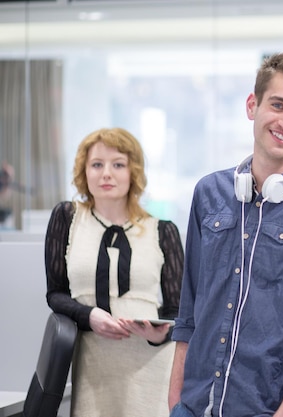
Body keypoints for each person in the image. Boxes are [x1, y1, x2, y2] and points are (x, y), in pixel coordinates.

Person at [168, 52, 283, 417]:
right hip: (192, 408)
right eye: (278, 105)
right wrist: (176, 401)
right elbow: (189, 309)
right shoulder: (209, 193)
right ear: (252, 105)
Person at [45, 127, 184, 417]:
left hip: (151, 363)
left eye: (118, 164)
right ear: (84, 171)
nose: (106, 173)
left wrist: (159, 335)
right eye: (97, 164)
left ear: (133, 171)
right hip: (93, 361)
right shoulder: (67, 217)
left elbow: (178, 310)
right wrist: (88, 316)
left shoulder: (163, 230)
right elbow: (55, 294)